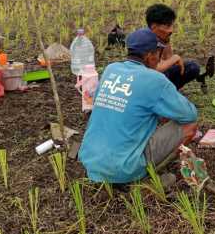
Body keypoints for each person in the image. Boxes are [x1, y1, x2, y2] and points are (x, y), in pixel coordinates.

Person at [79, 28, 198, 183]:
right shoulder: (154, 79)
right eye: (158, 54)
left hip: (91, 162)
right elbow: (190, 114)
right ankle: (146, 177)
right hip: (123, 169)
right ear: (150, 56)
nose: (159, 59)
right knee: (189, 125)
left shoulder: (111, 69)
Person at [145, 3, 214, 91]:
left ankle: (171, 90)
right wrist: (175, 58)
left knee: (192, 67)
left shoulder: (162, 36)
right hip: (148, 80)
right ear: (154, 27)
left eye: (171, 25)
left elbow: (168, 57)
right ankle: (164, 93)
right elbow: (154, 69)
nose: (171, 30)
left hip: (159, 74)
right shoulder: (145, 41)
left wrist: (173, 62)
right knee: (162, 74)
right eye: (167, 26)